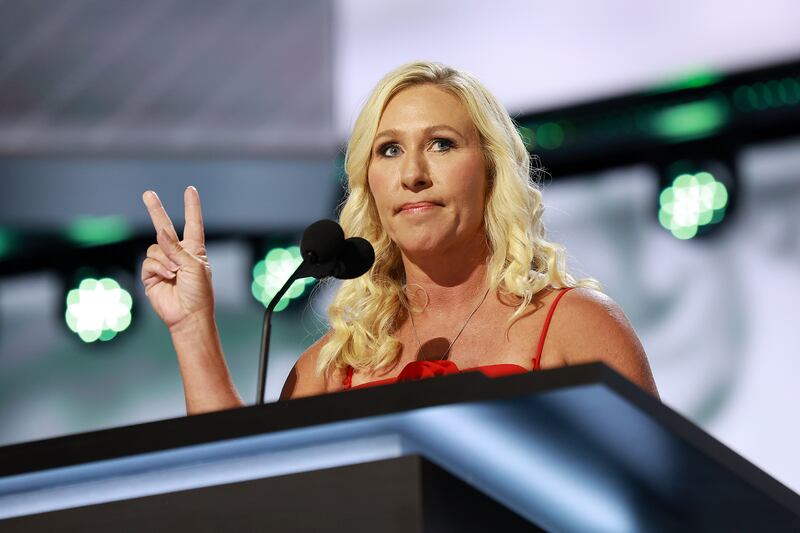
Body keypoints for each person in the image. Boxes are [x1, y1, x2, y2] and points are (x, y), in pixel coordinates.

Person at [141, 61, 659, 414]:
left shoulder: (576, 328)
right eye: (388, 150)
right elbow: (245, 501)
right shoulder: (327, 371)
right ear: (369, 182)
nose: (413, 173)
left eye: (441, 143)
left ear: (492, 172)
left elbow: (659, 501)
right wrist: (191, 327)